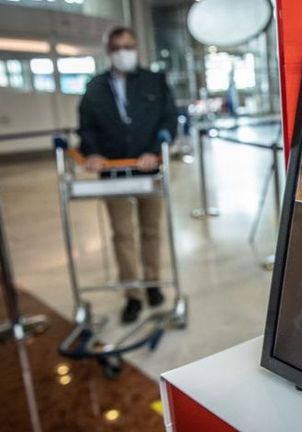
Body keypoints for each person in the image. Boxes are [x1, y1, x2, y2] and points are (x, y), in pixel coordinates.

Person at [78, 26, 177, 324]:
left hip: (148, 168)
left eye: (130, 46)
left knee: (151, 231)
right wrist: (91, 153)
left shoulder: (154, 81)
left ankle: (152, 283)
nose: (125, 52)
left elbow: (168, 119)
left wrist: (156, 148)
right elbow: (86, 127)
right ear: (109, 52)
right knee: (123, 235)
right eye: (119, 47)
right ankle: (133, 294)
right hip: (113, 172)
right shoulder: (95, 87)